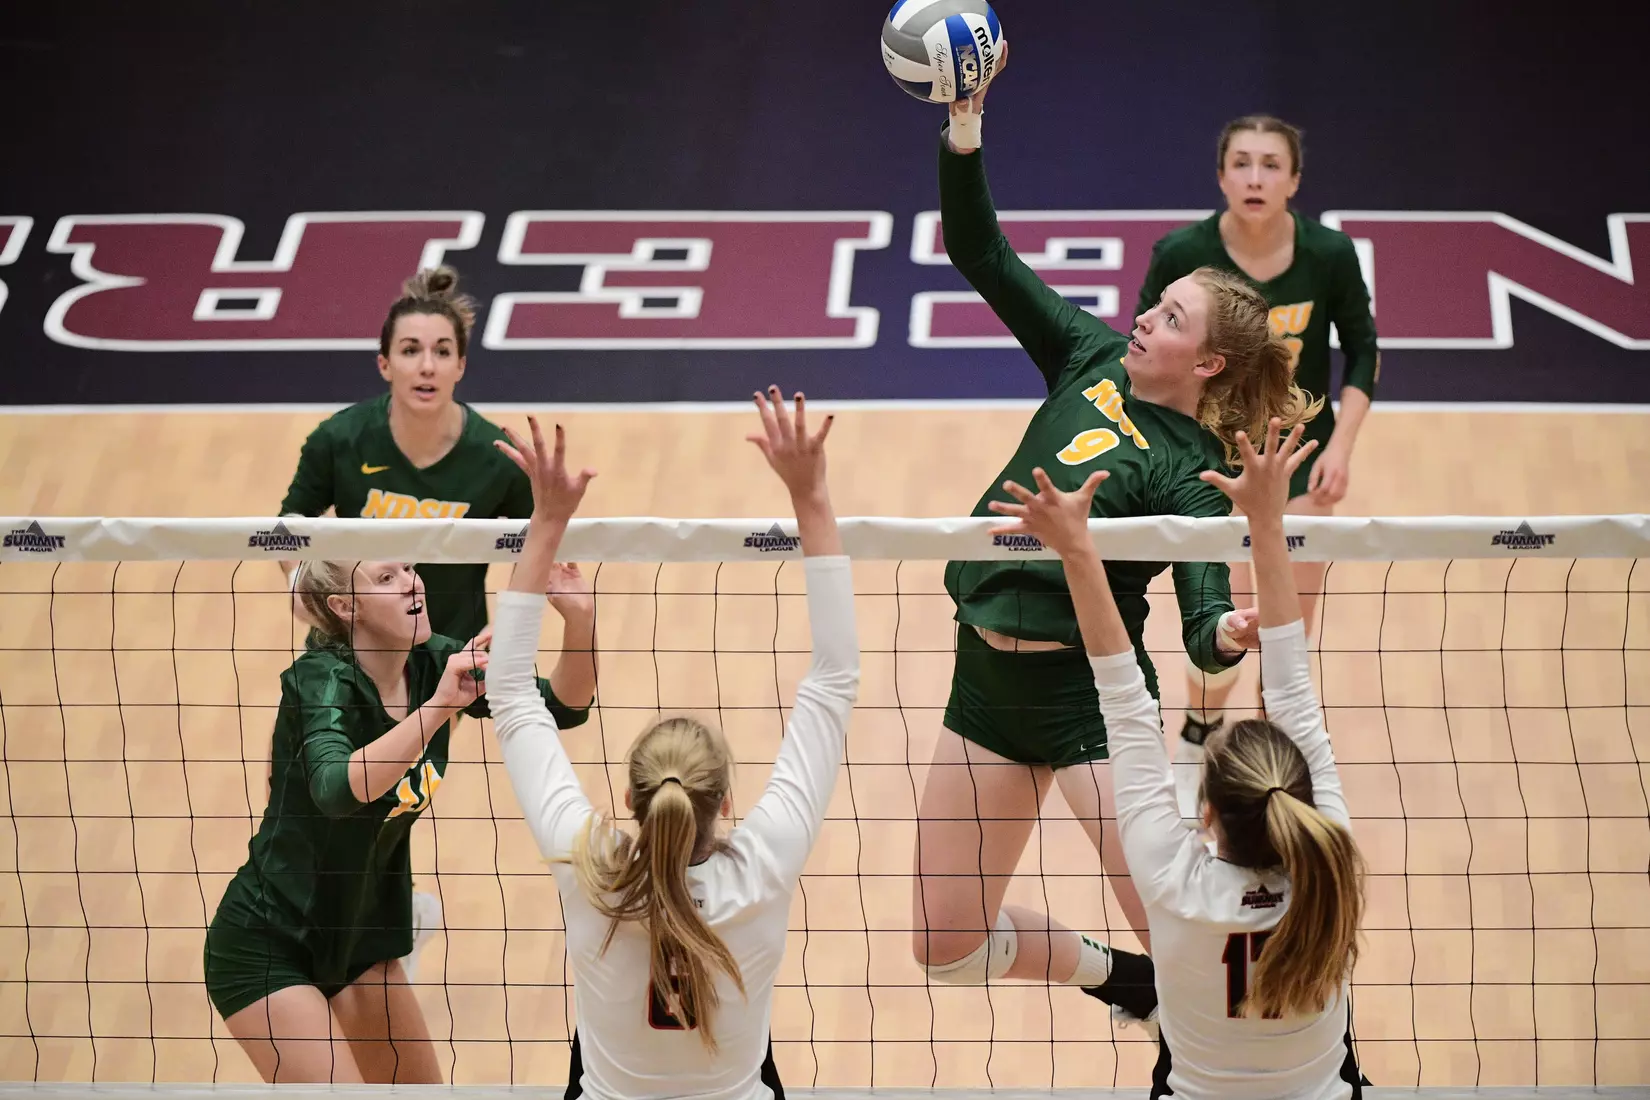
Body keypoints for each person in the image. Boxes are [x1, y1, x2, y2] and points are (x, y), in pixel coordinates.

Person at [911, 43, 1320, 1028]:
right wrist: (964, 125)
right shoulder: (1085, 351)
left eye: (1169, 316)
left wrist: (1223, 637)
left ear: (1210, 361)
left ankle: (1274, 1060)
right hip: (984, 683)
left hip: (1091, 708)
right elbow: (982, 253)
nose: (1143, 318)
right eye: (1153, 303)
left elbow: (1200, 612)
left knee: (1201, 943)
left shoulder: (1191, 468)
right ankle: (1117, 981)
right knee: (947, 946)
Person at [487, 391, 857, 1100]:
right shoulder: (763, 868)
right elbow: (835, 676)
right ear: (725, 802)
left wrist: (548, 521)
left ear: (628, 799)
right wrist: (810, 493)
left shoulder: (588, 869)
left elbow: (508, 691)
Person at [988, 418, 1367, 1098]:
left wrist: (1078, 550)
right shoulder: (1329, 866)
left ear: (1210, 816)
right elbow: (1285, 688)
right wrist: (1267, 520)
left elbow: (1134, 702)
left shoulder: (1175, 881)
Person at [275, 265, 598, 976]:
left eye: (442, 350)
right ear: (384, 362)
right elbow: (285, 533)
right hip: (355, 651)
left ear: (461, 364)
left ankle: (382, 911)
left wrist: (547, 622)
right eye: (412, 350)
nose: (427, 365)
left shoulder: (498, 458)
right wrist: (326, 598)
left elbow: (536, 552)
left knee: (394, 790)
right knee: (330, 796)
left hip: (445, 656)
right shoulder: (340, 440)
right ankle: (357, 920)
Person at [204, 559, 592, 1083]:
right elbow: (337, 790)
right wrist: (437, 708)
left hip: (362, 933)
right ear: (346, 606)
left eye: (408, 568)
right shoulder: (320, 681)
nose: (412, 581)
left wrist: (580, 621)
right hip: (269, 940)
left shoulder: (431, 661)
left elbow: (563, 708)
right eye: (386, 578)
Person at [1137, 115, 1379, 760]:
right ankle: (1198, 733)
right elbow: (1145, 355)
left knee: (1286, 629)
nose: (1254, 177)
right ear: (1220, 176)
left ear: (1294, 180)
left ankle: (1275, 760)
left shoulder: (1328, 253)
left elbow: (1362, 352)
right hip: (1210, 459)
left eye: (1270, 164)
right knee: (1230, 626)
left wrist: (1342, 448)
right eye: (1240, 163)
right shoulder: (1182, 254)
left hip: (1298, 461)